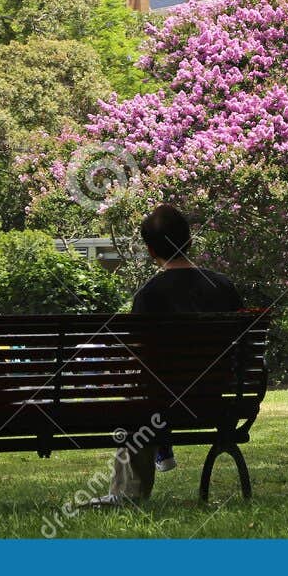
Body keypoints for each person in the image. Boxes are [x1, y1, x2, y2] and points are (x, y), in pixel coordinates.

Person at [87, 204, 243, 508]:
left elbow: (138, 358)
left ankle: (128, 493)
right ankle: (161, 451)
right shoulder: (223, 287)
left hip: (160, 405)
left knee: (138, 407)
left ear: (149, 250)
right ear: (190, 241)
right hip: (217, 400)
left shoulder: (149, 295)